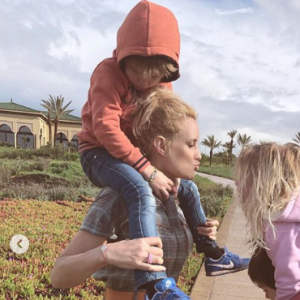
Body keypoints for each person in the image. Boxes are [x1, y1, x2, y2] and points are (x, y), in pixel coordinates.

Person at [77, 0, 249, 294]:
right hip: (98, 153)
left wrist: (199, 227)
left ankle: (213, 254)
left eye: (155, 74)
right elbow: (105, 127)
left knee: (187, 189)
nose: (146, 81)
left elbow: (168, 125)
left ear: (166, 72)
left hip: (134, 157)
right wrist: (147, 168)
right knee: (140, 188)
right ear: (123, 58)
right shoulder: (107, 73)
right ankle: (153, 281)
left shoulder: (161, 88)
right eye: (137, 70)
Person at [51, 89, 247, 300]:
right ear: (161, 145)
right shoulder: (123, 196)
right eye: (191, 145)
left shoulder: (181, 197)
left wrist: (203, 232)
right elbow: (59, 275)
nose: (198, 155)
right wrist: (107, 254)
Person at [235, 142, 300, 300]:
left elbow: (290, 286)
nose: (237, 184)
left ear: (263, 183)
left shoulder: (280, 225)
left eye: (243, 177)